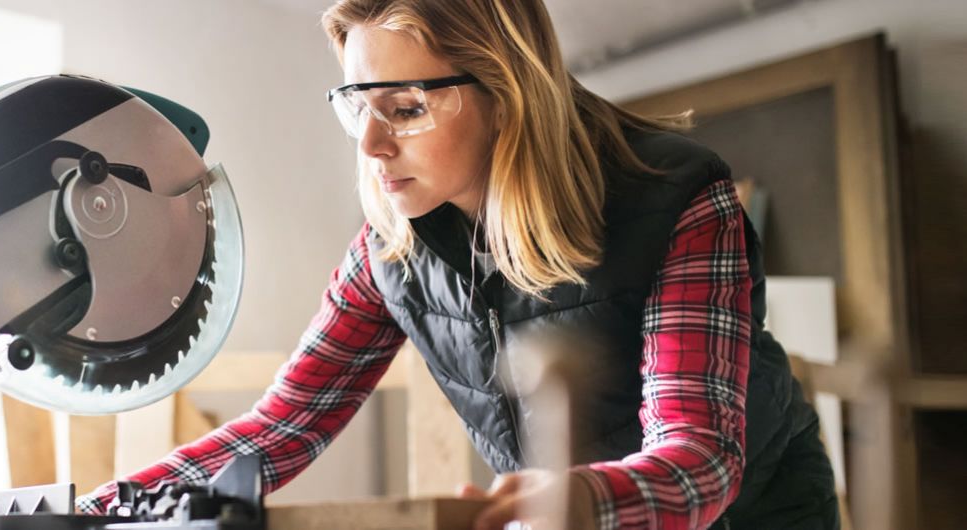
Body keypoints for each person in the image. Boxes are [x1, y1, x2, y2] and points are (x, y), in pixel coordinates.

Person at [77, 0, 838, 528]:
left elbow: (700, 459)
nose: (371, 145)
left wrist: (578, 503)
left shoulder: (676, 200)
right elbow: (285, 424)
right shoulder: (392, 246)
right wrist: (94, 512)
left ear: (507, 93)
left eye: (406, 108)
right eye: (357, 104)